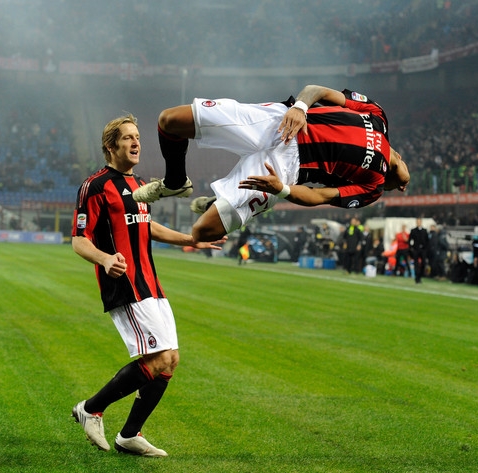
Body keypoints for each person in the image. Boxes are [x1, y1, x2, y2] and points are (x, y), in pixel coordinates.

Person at [71, 114, 225, 457]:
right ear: (111, 146)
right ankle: (91, 409)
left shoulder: (139, 185)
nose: (136, 142)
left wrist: (191, 239)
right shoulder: (95, 186)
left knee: (170, 360)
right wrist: (105, 259)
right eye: (128, 137)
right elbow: (79, 239)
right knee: (159, 358)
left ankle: (129, 436)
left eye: (138, 137)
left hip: (151, 284)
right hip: (125, 283)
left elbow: (147, 226)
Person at [132, 84, 410, 243]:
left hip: (287, 168)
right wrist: (300, 107)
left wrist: (281, 189)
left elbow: (318, 196)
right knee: (170, 120)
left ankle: (220, 202)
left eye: (397, 186)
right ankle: (176, 181)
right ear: (401, 158)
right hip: (279, 120)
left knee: (202, 231)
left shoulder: (373, 188)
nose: (401, 186)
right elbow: (315, 90)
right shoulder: (378, 116)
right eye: (400, 183)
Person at [409, 218, 429, 283]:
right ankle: (417, 277)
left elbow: (427, 240)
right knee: (416, 264)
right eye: (417, 222)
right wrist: (411, 248)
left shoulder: (424, 231)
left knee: (423, 263)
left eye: (419, 222)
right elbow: (410, 240)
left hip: (423, 250)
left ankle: (420, 276)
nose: (418, 223)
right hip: (416, 249)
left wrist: (425, 248)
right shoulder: (413, 230)